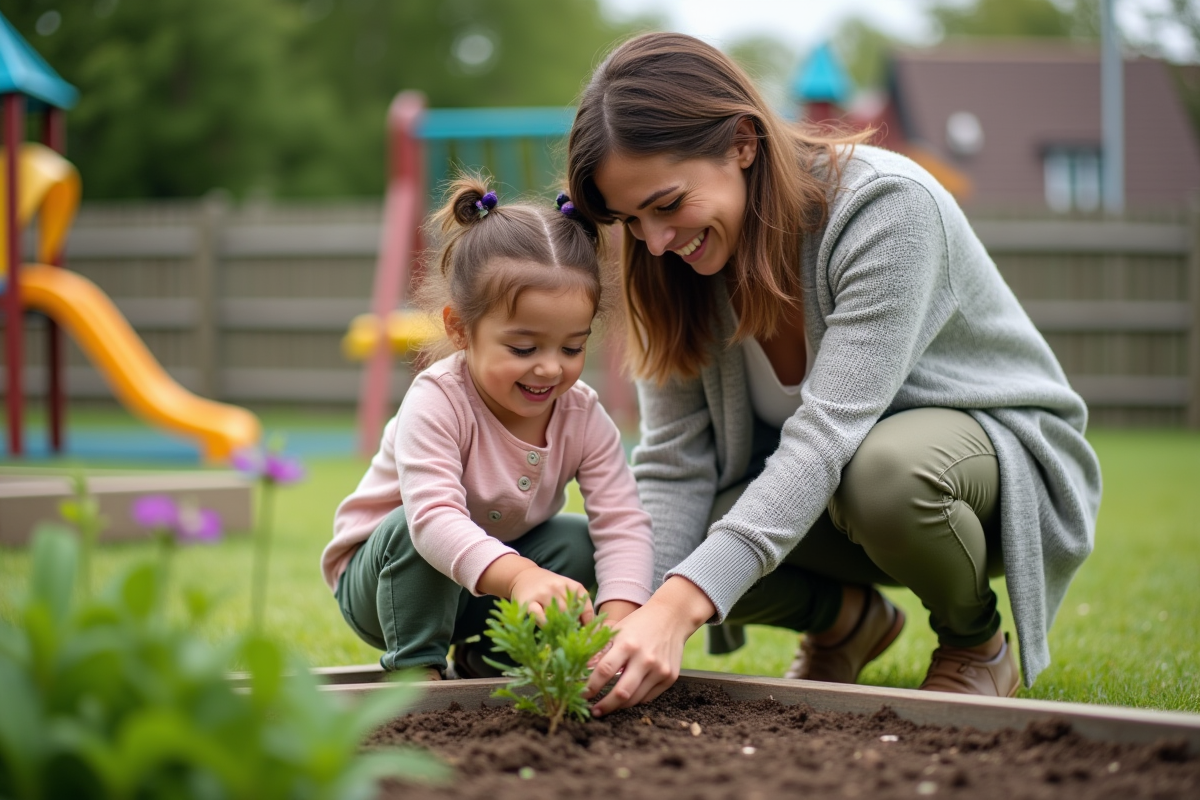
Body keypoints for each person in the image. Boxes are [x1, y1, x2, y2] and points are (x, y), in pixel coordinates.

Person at [565, 32, 1102, 713]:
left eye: (667, 204)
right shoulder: (669, 268)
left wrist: (677, 608)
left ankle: (975, 643)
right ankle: (847, 621)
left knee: (884, 472)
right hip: (834, 507)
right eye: (631, 220)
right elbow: (674, 466)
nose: (656, 243)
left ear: (742, 142)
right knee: (632, 554)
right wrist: (630, 615)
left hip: (983, 482)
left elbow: (826, 439)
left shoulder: (887, 209)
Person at [320, 177, 654, 680]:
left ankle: (492, 662)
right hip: (388, 584)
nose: (549, 369)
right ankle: (416, 671)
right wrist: (521, 576)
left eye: (571, 348)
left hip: (486, 588)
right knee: (414, 528)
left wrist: (620, 618)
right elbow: (433, 520)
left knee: (578, 543)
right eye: (523, 348)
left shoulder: (582, 414)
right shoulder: (437, 400)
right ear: (459, 329)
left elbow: (623, 523)